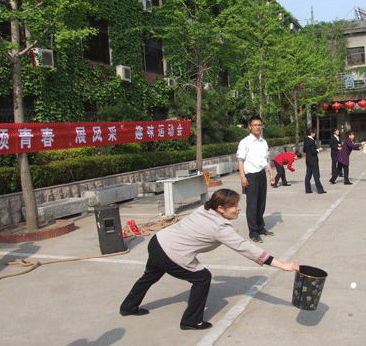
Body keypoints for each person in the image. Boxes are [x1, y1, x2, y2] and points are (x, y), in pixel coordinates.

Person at [119, 189, 300, 330]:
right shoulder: (221, 228)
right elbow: (247, 249)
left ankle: (128, 306)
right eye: (233, 206)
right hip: (171, 253)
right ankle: (191, 321)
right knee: (202, 278)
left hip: (158, 242)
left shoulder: (205, 208)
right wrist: (282, 265)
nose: (238, 209)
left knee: (149, 276)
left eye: (237, 204)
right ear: (220, 209)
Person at [237, 116, 275, 243]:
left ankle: (260, 227)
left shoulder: (263, 142)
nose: (258, 127)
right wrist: (243, 176)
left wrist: (270, 173)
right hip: (251, 176)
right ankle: (253, 231)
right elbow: (240, 160)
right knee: (252, 204)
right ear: (250, 126)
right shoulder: (245, 142)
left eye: (260, 125)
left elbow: (266, 160)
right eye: (255, 125)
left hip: (261, 174)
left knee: (261, 202)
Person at [303, 127, 326, 194]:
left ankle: (307, 189)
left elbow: (304, 150)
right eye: (314, 133)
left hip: (308, 159)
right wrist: (319, 150)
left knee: (308, 175)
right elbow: (313, 151)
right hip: (313, 159)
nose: (315, 134)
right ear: (312, 133)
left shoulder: (306, 140)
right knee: (316, 175)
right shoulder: (312, 141)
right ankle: (320, 190)